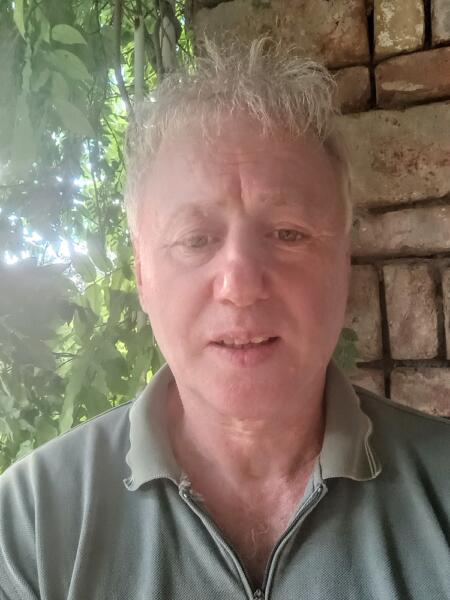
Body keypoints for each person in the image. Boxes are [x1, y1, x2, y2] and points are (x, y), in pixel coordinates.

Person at [0, 38, 449, 600]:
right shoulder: (30, 528)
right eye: (195, 239)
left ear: (344, 259)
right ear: (141, 273)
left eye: (288, 233)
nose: (239, 287)